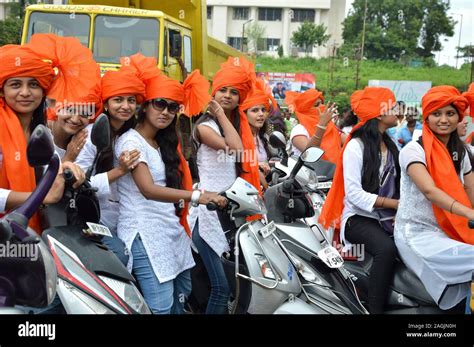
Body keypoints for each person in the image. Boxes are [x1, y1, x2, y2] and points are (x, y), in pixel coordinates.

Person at [114, 53, 226, 314]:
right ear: (145, 106)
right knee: (160, 308)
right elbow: (148, 190)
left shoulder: (162, 142)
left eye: (173, 107)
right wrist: (198, 196)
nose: (166, 112)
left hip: (169, 230)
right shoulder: (131, 142)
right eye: (159, 104)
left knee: (182, 297)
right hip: (144, 233)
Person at [319, 87, 400, 314]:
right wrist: (393, 204)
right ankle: (374, 310)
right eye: (392, 106)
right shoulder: (356, 146)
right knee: (386, 250)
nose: (398, 110)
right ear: (379, 114)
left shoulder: (392, 146)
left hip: (389, 217)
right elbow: (353, 194)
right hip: (359, 218)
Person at [394, 86, 474, 311]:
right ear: (426, 117)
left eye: (450, 113)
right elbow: (429, 190)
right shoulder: (413, 150)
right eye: (436, 114)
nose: (443, 120)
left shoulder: (463, 152)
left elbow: (471, 189)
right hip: (416, 234)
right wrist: (469, 213)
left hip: (449, 229)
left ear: (459, 116)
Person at [192, 55, 261, 314]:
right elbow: (236, 149)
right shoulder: (206, 126)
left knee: (232, 288)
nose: (228, 96)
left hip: (228, 213)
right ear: (213, 92)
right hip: (208, 215)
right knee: (222, 288)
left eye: (234, 92)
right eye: (223, 90)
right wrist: (220, 113)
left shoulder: (236, 125)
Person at [0, 38, 85, 235]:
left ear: (43, 90)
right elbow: (46, 194)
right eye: (15, 85)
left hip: (25, 236)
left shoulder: (40, 130)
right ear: (3, 91)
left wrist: (65, 166)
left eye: (33, 85)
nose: (25, 92)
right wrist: (38, 197)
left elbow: (48, 176)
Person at [75, 59, 147, 266]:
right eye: (118, 100)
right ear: (106, 104)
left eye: (131, 100)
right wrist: (121, 170)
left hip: (123, 217)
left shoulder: (132, 135)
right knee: (119, 257)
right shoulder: (91, 135)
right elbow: (81, 183)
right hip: (90, 219)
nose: (125, 106)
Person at [241, 78, 278, 190]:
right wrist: (256, 167)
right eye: (255, 110)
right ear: (244, 114)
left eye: (263, 110)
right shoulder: (239, 138)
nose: (261, 114)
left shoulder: (263, 137)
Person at [285, 89, 340, 164]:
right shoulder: (299, 130)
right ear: (306, 110)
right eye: (317, 105)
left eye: (322, 103)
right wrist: (321, 127)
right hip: (308, 173)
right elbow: (310, 155)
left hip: (331, 172)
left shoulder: (329, 126)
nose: (322, 107)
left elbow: (347, 139)